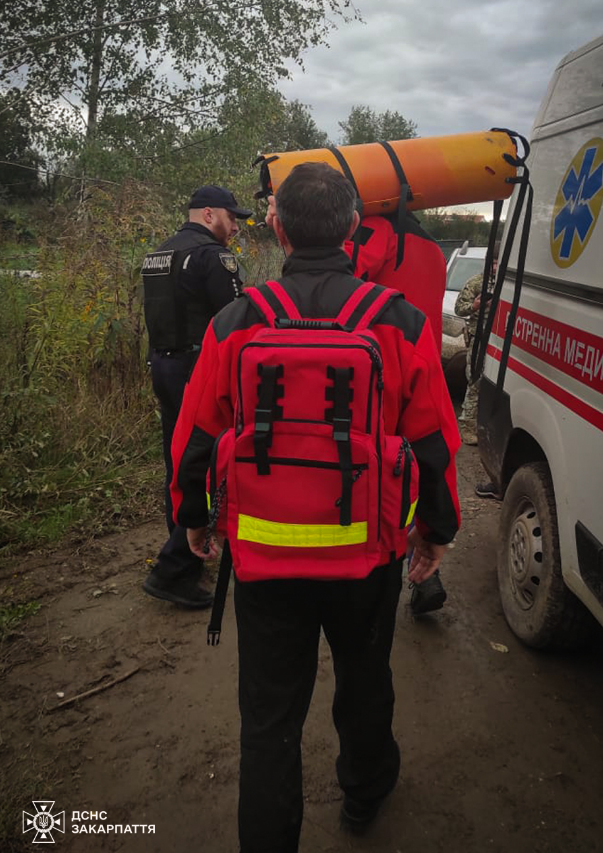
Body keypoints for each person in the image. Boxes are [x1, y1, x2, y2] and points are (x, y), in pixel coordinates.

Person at [170, 162, 461, 852]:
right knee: (365, 682)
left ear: (275, 227)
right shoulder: (400, 321)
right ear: (355, 227)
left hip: (266, 564)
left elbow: (197, 433)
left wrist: (192, 514)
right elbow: (432, 439)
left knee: (268, 713)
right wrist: (435, 530)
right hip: (367, 555)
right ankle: (364, 793)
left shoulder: (237, 321)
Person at [141, 185, 252, 608]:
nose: (235, 226)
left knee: (178, 458)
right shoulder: (212, 257)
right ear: (209, 214)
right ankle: (175, 567)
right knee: (205, 462)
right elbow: (236, 317)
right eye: (231, 217)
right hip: (197, 370)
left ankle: (188, 553)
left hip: (163, 366)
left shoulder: (159, 253)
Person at [344, 213, 448, 614]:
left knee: (379, 467)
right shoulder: (432, 247)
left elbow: (343, 268)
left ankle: (377, 552)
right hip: (423, 366)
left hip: (378, 372)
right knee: (420, 464)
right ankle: (425, 564)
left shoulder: (379, 230)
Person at [454, 241, 499, 447]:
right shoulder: (476, 282)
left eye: (499, 262)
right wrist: (475, 305)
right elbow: (459, 309)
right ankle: (468, 428)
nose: (496, 267)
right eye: (493, 262)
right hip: (479, 340)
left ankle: (486, 426)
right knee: (475, 381)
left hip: (499, 342)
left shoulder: (505, 283)